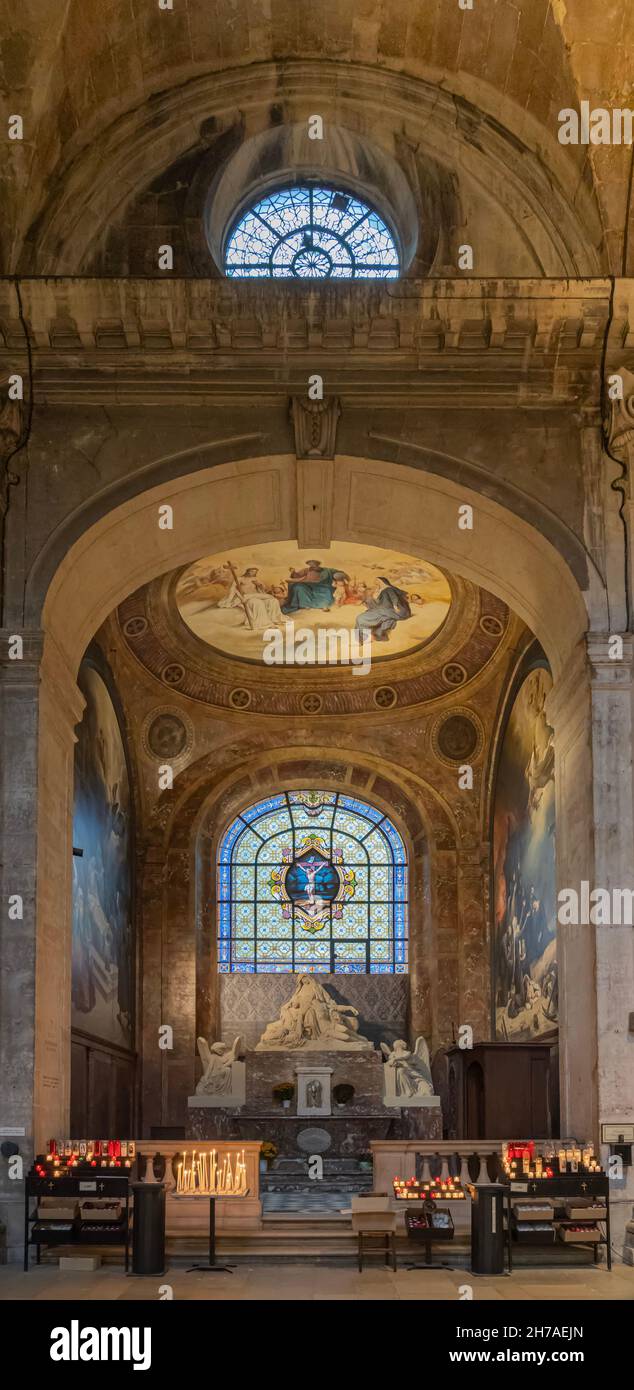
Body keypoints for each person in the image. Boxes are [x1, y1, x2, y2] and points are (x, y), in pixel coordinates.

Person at [355, 575, 412, 641]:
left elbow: (394, 598)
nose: (375, 581)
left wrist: (395, 607)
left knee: (360, 619)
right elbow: (379, 602)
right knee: (360, 618)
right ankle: (365, 638)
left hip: (392, 611)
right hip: (385, 610)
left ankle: (367, 637)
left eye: (376, 580)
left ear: (381, 581)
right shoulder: (381, 590)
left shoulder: (388, 589)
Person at [282, 559, 349, 614]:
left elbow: (337, 572)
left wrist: (339, 575)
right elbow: (297, 576)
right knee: (298, 587)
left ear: (318, 564)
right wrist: (293, 572)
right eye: (311, 564)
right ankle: (305, 604)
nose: (313, 566)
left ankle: (323, 605)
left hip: (323, 586)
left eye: (314, 564)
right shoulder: (306, 570)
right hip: (309, 586)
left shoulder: (326, 570)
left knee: (327, 591)